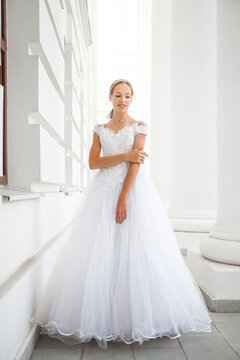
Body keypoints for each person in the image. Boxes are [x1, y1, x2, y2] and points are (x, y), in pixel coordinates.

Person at [30, 78, 212, 350]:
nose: (123, 100)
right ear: (110, 97)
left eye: (127, 96)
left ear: (131, 99)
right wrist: (126, 156)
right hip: (101, 193)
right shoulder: (99, 129)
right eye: (118, 95)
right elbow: (94, 162)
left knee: (135, 252)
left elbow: (136, 167)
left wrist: (123, 198)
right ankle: (100, 318)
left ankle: (137, 317)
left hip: (133, 193)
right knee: (100, 253)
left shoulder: (140, 127)